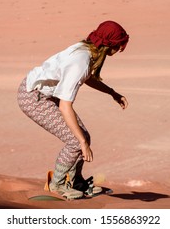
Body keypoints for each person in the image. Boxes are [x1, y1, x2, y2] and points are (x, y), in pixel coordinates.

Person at [17, 20, 129, 199]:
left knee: (82, 137)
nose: (121, 49)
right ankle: (57, 185)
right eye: (119, 45)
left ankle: (75, 181)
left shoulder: (87, 51)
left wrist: (112, 93)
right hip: (33, 97)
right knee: (76, 141)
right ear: (110, 46)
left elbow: (87, 77)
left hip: (44, 93)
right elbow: (65, 105)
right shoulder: (81, 61)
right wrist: (82, 143)